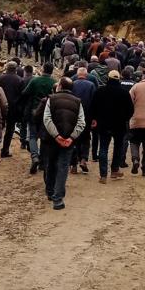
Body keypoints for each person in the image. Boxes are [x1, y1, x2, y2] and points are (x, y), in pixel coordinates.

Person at [39, 77, 86, 210]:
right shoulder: (78, 102)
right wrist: (71, 137)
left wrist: (56, 136)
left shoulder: (51, 99)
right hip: (68, 141)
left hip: (52, 140)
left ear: (60, 86)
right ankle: (58, 198)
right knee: (63, 167)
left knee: (51, 164)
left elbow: (46, 119)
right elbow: (81, 122)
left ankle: (50, 191)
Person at [90, 71, 134, 183]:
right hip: (119, 125)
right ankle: (114, 170)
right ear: (118, 79)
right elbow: (130, 110)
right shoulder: (124, 93)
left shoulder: (100, 91)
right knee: (118, 147)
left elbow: (93, 107)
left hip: (103, 124)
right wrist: (125, 119)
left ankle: (103, 175)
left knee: (103, 148)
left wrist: (95, 119)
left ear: (108, 79)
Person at [21, 63, 56, 175]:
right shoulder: (54, 82)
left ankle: (34, 156)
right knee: (45, 138)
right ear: (51, 71)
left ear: (43, 69)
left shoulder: (35, 81)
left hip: (34, 111)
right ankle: (42, 162)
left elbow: (25, 93)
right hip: (48, 112)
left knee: (32, 136)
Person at [70, 67, 96, 174]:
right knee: (85, 139)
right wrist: (94, 118)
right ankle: (83, 159)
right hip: (86, 116)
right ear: (86, 75)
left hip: (73, 116)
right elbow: (94, 102)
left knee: (73, 139)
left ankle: (73, 165)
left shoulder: (72, 84)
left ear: (77, 74)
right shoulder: (91, 85)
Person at [0, 62, 26, 158]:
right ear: (16, 69)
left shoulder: (0, 78)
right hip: (14, 108)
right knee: (10, 129)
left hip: (1, 107)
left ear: (7, 68)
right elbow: (22, 95)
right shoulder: (20, 80)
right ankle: (5, 150)